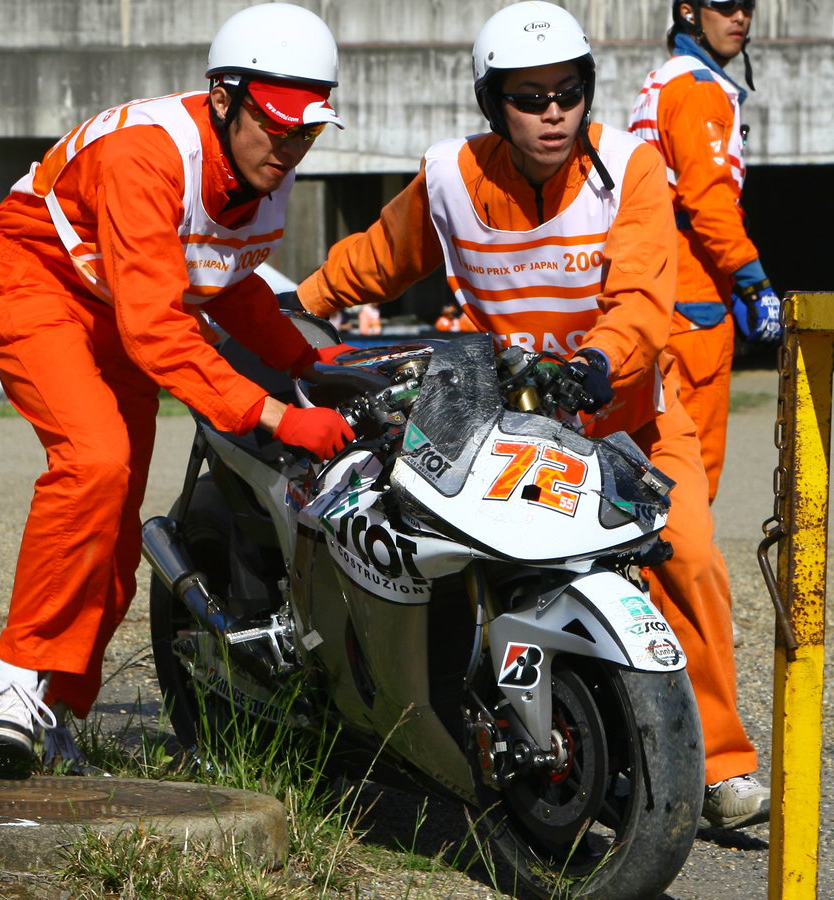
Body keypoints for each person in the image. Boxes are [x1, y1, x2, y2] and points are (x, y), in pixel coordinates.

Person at [297, 1, 768, 829]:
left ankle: (721, 769)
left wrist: (592, 365)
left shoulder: (632, 170)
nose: (552, 114)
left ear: (588, 91)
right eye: (528, 97)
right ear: (493, 104)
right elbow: (369, 262)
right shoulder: (449, 176)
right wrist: (283, 324)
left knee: (690, 561)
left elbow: (640, 299)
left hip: (626, 419)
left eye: (567, 93)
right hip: (496, 425)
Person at [0, 2, 354, 769]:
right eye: (275, 122)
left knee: (113, 529)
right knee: (93, 462)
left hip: (116, 309)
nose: (290, 145)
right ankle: (10, 677)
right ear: (222, 97)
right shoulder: (147, 154)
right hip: (29, 284)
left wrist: (307, 361)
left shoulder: (267, 173)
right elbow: (159, 331)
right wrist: (273, 412)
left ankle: (50, 708)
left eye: (306, 130)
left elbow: (226, 282)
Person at [630, 0, 779, 502]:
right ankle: (672, 581)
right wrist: (754, 282)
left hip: (663, 285)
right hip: (692, 301)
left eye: (747, 6)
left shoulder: (663, 81)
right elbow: (708, 201)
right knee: (693, 469)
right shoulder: (698, 89)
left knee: (655, 462)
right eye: (724, 4)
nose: (740, 16)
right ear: (690, 12)